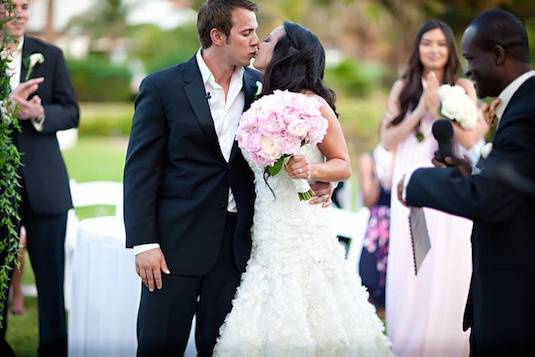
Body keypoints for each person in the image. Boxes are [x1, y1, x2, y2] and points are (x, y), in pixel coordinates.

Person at [123, 1, 333, 356]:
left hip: (237, 246)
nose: (256, 41)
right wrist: (145, 243)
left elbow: (307, 147)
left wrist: (321, 179)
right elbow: (140, 170)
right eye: (247, 32)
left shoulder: (263, 90)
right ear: (218, 36)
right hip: (174, 245)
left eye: (257, 32)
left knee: (220, 348)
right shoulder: (162, 87)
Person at [213, 21, 392, 356]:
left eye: (268, 39)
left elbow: (343, 164)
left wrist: (312, 170)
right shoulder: (259, 102)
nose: (259, 43)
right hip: (266, 230)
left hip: (303, 230)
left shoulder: (312, 104)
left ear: (286, 52)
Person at [399, 9, 535, 356]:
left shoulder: (527, 109)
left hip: (516, 298)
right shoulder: (520, 104)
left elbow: (491, 198)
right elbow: (511, 185)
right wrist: (464, 170)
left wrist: (415, 183)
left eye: (472, 58)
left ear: (499, 55)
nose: (469, 70)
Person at [380, 19, 488, 356]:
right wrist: (420, 111)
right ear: (418, 47)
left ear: (450, 50)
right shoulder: (403, 87)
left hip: (450, 179)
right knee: (414, 260)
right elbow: (387, 139)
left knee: (449, 258)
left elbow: (472, 138)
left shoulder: (464, 88)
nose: (434, 50)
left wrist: (440, 108)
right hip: (412, 181)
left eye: (441, 44)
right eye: (427, 43)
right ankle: (408, 342)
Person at [2, 0, 79, 355]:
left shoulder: (49, 54)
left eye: (24, 6)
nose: (18, 13)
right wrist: (5, 109)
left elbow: (71, 111)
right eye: (8, 6)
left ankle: (53, 348)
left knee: (51, 278)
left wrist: (38, 113)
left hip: (46, 186)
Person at [358, 144, 394, 312]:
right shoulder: (370, 158)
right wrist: (378, 173)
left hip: (400, 224)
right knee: (369, 274)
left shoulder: (408, 157)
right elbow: (368, 200)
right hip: (377, 227)